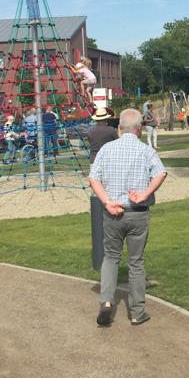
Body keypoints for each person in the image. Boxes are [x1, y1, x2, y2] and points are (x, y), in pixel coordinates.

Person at [88, 108, 167, 327]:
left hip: (113, 212)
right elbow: (161, 173)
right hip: (137, 212)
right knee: (136, 262)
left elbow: (93, 178)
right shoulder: (146, 150)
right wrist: (145, 194)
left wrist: (106, 201)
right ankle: (137, 311)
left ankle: (105, 301)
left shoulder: (107, 149)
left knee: (111, 257)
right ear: (140, 129)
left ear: (120, 128)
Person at [87, 107, 119, 270]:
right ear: (106, 118)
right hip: (108, 157)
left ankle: (96, 199)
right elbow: (116, 142)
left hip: (94, 158)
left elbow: (90, 143)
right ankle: (107, 198)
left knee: (95, 181)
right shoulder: (111, 130)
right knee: (107, 182)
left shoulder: (91, 131)